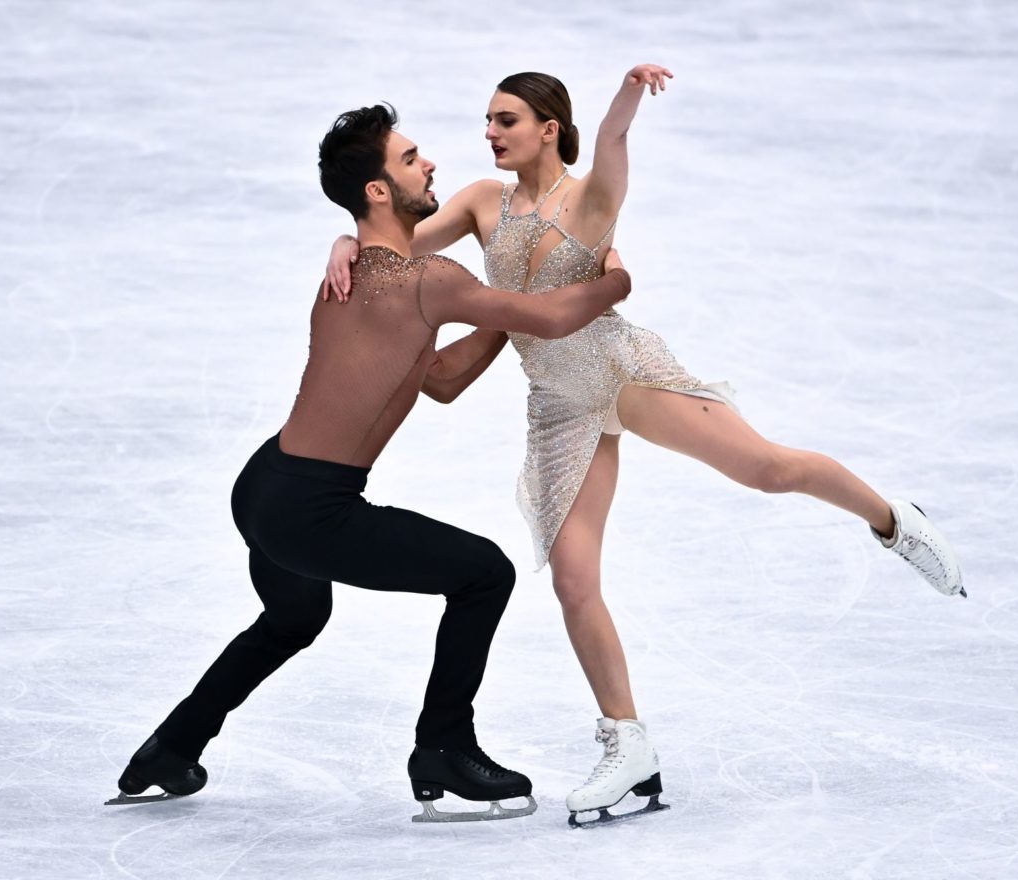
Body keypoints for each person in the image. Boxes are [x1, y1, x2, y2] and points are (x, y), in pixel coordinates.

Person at [322, 66, 965, 827]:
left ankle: (892, 519)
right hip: (558, 406)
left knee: (766, 468)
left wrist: (628, 87)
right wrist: (342, 239)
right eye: (487, 122)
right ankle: (629, 748)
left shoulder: (590, 196)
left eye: (505, 121)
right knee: (573, 580)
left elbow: (619, 135)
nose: (489, 134)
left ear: (548, 127)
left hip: (621, 373)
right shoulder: (476, 203)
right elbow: (390, 242)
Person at [108, 104, 633, 823]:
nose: (431, 165)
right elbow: (549, 318)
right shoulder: (428, 279)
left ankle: (171, 747)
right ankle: (443, 747)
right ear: (379, 191)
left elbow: (441, 379)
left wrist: (499, 311)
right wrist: (613, 281)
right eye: (412, 158)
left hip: (265, 488)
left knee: (292, 619)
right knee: (485, 574)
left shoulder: (351, 276)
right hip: (312, 508)